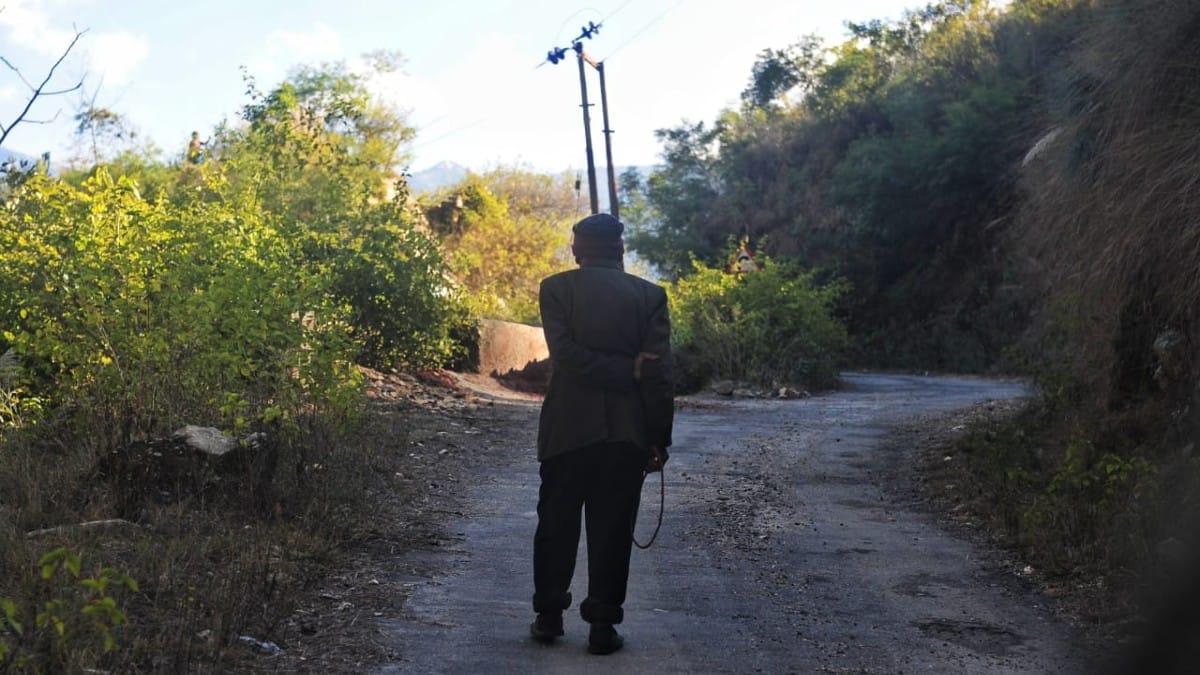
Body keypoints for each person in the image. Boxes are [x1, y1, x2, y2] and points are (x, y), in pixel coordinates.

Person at [530, 212, 674, 655]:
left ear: (577, 250)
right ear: (621, 249)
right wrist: (658, 437)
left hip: (566, 431)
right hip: (625, 435)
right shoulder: (650, 296)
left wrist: (619, 370)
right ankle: (602, 628)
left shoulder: (555, 289)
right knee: (612, 529)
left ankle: (549, 615)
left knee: (556, 524)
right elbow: (658, 374)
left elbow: (567, 355)